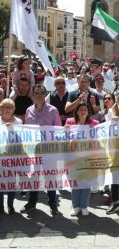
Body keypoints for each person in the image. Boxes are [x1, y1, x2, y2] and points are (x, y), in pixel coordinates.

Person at [21, 85, 61, 215]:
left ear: (45, 94)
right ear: (33, 94)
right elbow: (27, 130)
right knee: (34, 176)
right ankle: (32, 202)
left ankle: (52, 203)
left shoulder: (53, 110)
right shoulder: (28, 111)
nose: (39, 95)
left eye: (41, 92)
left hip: (49, 149)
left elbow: (58, 129)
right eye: (36, 92)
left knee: (50, 176)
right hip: (34, 149)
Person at [65, 102, 99, 216]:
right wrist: (65, 133)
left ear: (88, 112)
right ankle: (75, 206)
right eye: (81, 109)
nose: (83, 111)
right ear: (77, 111)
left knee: (86, 184)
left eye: (85, 109)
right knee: (75, 184)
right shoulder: (70, 122)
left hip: (88, 158)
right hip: (74, 159)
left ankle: (84, 206)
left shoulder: (95, 124)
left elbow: (100, 139)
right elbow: (64, 140)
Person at [0, 99, 22, 215]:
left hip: (13, 159)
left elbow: (23, 139)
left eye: (10, 107)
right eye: (4, 107)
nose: (7, 110)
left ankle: (10, 205)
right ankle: (0, 206)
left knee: (11, 184)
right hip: (0, 159)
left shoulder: (18, 122)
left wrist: (12, 129)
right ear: (1, 109)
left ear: (13, 109)